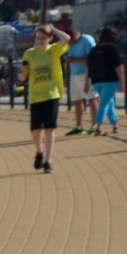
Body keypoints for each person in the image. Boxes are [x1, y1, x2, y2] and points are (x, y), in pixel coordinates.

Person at [21, 23, 72, 173]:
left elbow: (67, 38)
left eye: (43, 38)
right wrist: (22, 73)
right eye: (37, 38)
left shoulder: (54, 50)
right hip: (36, 95)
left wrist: (53, 28)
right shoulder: (29, 53)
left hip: (52, 93)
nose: (39, 41)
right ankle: (39, 152)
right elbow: (23, 76)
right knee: (35, 130)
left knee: (49, 128)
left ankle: (48, 161)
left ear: (49, 38)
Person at [88, 26, 124, 136]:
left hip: (96, 81)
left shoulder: (94, 49)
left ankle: (115, 124)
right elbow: (119, 66)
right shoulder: (113, 48)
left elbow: (88, 67)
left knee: (109, 102)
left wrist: (86, 82)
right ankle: (98, 127)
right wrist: (122, 81)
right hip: (110, 80)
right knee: (104, 103)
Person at [65, 25, 99, 135]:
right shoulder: (69, 43)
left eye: (72, 41)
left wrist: (74, 60)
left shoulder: (87, 40)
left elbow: (93, 58)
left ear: (77, 35)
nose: (70, 44)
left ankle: (95, 124)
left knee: (92, 99)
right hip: (74, 74)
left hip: (87, 73)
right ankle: (78, 126)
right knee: (77, 100)